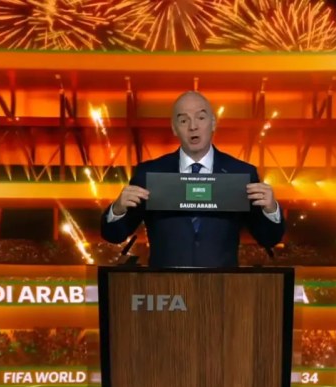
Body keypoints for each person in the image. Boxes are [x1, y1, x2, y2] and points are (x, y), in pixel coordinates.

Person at [100, 91, 285, 267]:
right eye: (183, 120)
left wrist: (271, 210)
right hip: (165, 286)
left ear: (213, 123)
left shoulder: (242, 173)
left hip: (222, 285)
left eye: (201, 118)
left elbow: (268, 238)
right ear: (174, 128)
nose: (193, 126)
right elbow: (114, 235)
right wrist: (118, 209)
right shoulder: (148, 173)